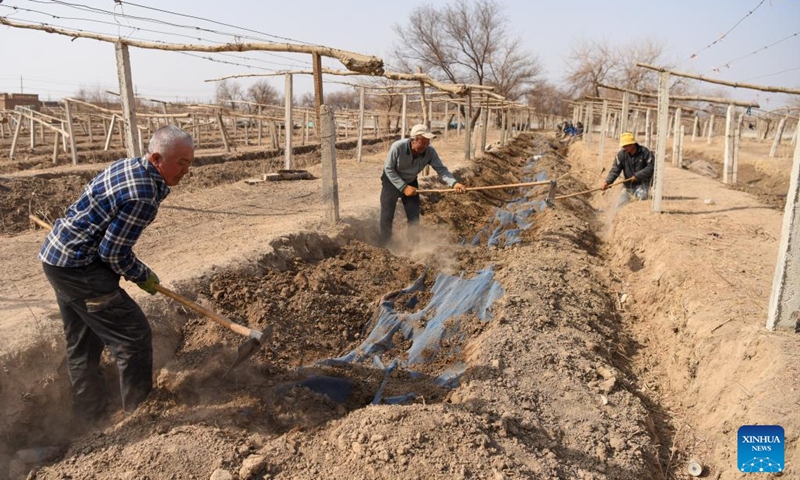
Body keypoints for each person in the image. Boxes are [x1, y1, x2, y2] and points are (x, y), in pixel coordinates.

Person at [39, 125, 195, 419]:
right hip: (79, 267)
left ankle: (90, 419)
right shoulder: (143, 195)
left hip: (56, 258)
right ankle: (139, 416)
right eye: (181, 163)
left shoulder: (128, 165)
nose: (186, 170)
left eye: (190, 162)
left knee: (83, 345)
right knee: (132, 337)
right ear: (156, 159)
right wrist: (141, 274)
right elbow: (112, 253)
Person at [379, 124, 466, 245]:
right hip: (392, 181)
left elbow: (441, 170)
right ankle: (384, 244)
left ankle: (413, 245)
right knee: (387, 214)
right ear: (412, 140)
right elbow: (388, 169)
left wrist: (454, 184)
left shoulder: (430, 152)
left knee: (414, 216)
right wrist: (403, 187)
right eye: (423, 142)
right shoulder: (398, 147)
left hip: (411, 181)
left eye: (428, 142)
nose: (426, 146)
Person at [601, 132, 654, 202]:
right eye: (623, 146)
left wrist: (637, 176)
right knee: (620, 203)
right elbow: (615, 170)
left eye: (625, 146)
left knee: (640, 199)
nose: (624, 148)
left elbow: (651, 167)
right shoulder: (621, 155)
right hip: (628, 185)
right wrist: (607, 182)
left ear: (632, 145)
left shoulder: (645, 152)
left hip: (643, 183)